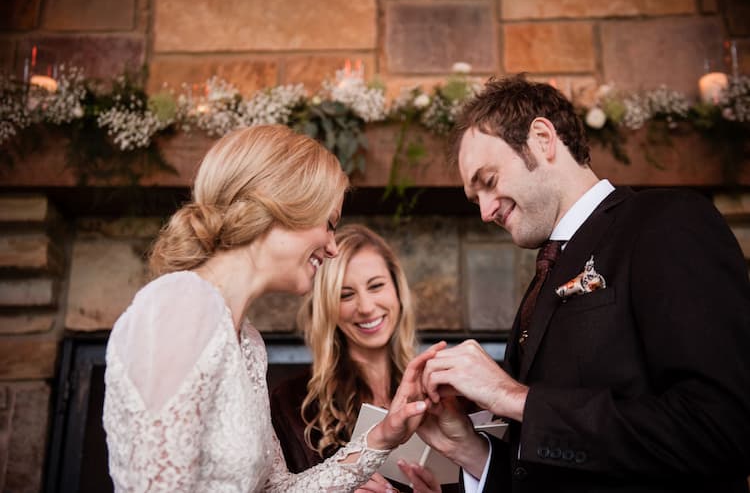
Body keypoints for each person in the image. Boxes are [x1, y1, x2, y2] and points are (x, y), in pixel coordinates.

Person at [416, 75, 750, 492]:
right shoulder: (542, 282)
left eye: (489, 180)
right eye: (474, 197)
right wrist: (467, 449)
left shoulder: (667, 223)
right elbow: (548, 472)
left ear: (542, 138)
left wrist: (511, 396)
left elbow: (721, 429)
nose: (484, 211)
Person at [102, 124, 442, 492]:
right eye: (329, 224)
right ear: (279, 204)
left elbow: (275, 489)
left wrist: (383, 437)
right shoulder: (182, 305)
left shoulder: (247, 342)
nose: (332, 247)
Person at [271, 224, 442, 493]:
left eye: (376, 286)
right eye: (346, 294)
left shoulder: (438, 393)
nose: (365, 307)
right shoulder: (291, 404)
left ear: (397, 291)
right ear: (327, 306)